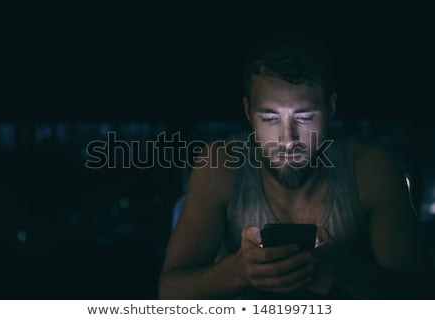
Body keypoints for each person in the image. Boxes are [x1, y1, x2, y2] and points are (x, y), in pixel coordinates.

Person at [158, 32, 434, 299]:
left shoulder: (372, 169)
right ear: (247, 113)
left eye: (304, 117)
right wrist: (238, 271)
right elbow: (168, 295)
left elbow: (421, 299)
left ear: (331, 108)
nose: (288, 140)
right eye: (270, 118)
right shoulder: (219, 167)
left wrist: (350, 274)